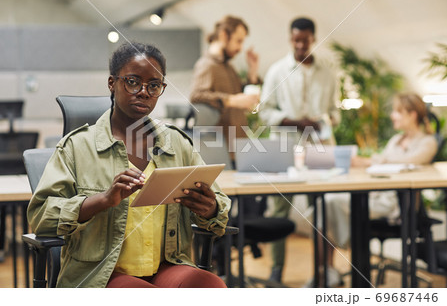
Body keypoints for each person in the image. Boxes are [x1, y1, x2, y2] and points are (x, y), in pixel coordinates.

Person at [27, 42, 231, 288]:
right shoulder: (77, 146)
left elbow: (219, 209)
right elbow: (40, 217)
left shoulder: (177, 143)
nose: (144, 92)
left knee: (211, 287)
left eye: (154, 85)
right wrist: (102, 200)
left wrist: (209, 209)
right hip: (102, 272)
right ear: (112, 83)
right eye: (133, 81)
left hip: (166, 265)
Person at [315, 92, 439, 287]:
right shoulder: (395, 141)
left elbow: (409, 163)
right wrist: (365, 162)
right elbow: (382, 162)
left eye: (397, 112)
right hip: (377, 197)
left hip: (397, 207)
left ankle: (332, 267)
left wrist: (373, 161)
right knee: (327, 201)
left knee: (330, 203)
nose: (392, 116)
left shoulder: (427, 142)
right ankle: (325, 271)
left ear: (412, 114)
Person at [258, 17, 340, 283]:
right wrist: (296, 121)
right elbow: (265, 112)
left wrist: (323, 121)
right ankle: (276, 271)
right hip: (284, 146)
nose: (300, 45)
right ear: (290, 38)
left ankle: (325, 270)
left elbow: (335, 112)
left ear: (313, 39)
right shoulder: (276, 71)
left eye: (305, 40)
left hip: (320, 147)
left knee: (326, 207)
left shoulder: (328, 72)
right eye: (296, 40)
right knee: (280, 209)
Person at [190, 15, 260, 146]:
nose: (240, 48)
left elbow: (240, 97)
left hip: (238, 145)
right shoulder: (207, 65)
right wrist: (230, 100)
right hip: (220, 148)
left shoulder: (228, 66)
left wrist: (253, 71)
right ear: (223, 35)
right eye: (238, 41)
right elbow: (196, 96)